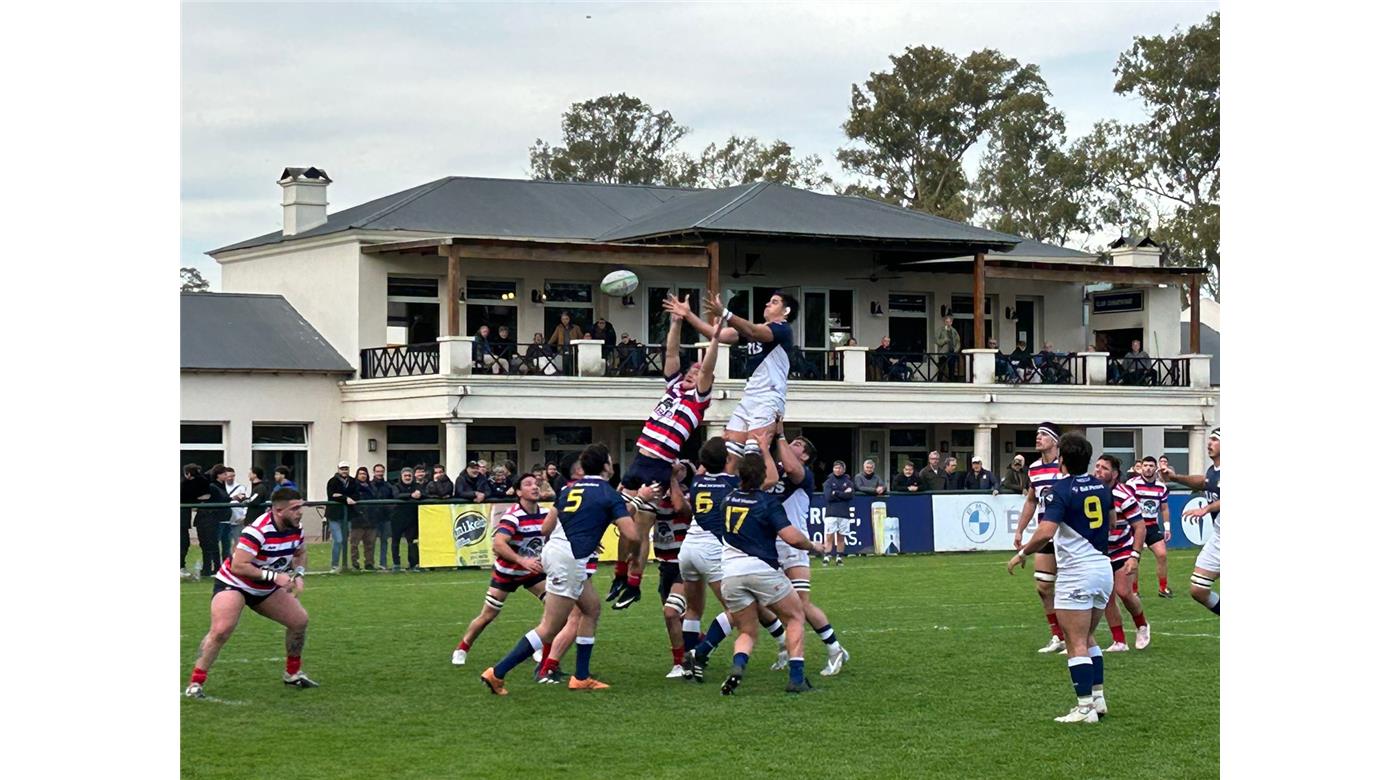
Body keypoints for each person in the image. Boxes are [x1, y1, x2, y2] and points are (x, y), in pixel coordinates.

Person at [480, 443, 647, 694]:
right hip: (569, 559)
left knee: (591, 609)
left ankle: (581, 677)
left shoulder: (569, 489)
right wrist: (635, 509)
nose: (612, 465)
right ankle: (497, 672)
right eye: (610, 461)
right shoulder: (608, 493)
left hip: (558, 553)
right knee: (550, 627)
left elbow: (545, 528)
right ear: (604, 466)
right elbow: (632, 534)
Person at [608, 296, 719, 610]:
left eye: (695, 373)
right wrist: (675, 322)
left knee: (642, 526)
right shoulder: (672, 387)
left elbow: (708, 367)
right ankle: (619, 574)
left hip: (659, 466)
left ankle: (633, 584)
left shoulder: (699, 401)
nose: (691, 373)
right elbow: (670, 352)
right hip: (640, 457)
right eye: (690, 371)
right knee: (622, 521)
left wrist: (714, 338)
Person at [1006, 432, 1114, 723]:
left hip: (1077, 571)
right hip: (1103, 569)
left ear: (1062, 459)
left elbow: (1045, 532)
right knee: (1088, 637)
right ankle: (1098, 700)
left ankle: (1084, 709)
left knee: (1074, 640)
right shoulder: (1102, 487)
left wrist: (1023, 553)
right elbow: (1113, 522)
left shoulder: (1058, 490)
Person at [710, 440, 822, 695]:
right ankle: (797, 679)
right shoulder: (766, 502)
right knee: (795, 617)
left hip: (730, 573)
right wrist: (814, 547)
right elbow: (792, 537)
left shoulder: (727, 499)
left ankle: (738, 667)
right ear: (764, 476)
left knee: (747, 630)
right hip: (760, 569)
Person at [185, 487, 317, 698]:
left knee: (299, 621)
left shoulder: (296, 528)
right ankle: (196, 683)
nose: (300, 512)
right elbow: (239, 566)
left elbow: (300, 553)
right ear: (278, 510)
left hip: (264, 587)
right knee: (221, 630)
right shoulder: (257, 531)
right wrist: (275, 577)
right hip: (235, 583)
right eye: (295, 508)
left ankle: (292, 674)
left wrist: (298, 573)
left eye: (300, 506)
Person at [665, 289, 797, 453]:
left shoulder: (783, 329)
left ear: (786, 311)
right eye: (770, 301)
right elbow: (716, 334)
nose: (768, 304)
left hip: (769, 396)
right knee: (729, 451)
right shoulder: (757, 328)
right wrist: (688, 314)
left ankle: (768, 478)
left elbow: (752, 331)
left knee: (754, 452)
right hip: (750, 396)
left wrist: (725, 313)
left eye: (774, 302)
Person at [772, 431, 850, 677]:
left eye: (797, 444)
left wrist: (780, 435)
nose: (790, 444)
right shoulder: (775, 469)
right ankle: (785, 645)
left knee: (801, 606)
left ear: (805, 455)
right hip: (770, 545)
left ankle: (834, 648)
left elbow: (793, 470)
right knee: (762, 602)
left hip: (794, 545)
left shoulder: (804, 474)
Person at [452, 474, 550, 667]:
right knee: (488, 615)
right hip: (508, 572)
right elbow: (498, 544)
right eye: (528, 484)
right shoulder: (513, 516)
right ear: (519, 492)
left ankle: (538, 646)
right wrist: (522, 560)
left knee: (555, 607)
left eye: (536, 484)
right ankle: (462, 647)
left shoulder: (546, 513)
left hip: (532, 571)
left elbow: (561, 532)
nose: (535, 487)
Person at [1013, 423, 1069, 654]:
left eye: (1043, 435)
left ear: (1055, 441)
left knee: (1070, 587)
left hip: (1068, 534)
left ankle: (1077, 637)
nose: (1038, 438)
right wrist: (1019, 530)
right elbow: (1031, 500)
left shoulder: (1066, 466)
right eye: (1037, 434)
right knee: (1044, 586)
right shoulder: (1034, 468)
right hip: (1045, 533)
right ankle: (1058, 636)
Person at [1161, 429, 1220, 616]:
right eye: (1209, 439)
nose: (1209, 443)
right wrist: (1175, 477)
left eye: (1214, 440)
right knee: (1198, 590)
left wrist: (1207, 508)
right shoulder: (1214, 471)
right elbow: (1203, 482)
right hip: (1218, 538)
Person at [1094, 455, 1150, 652]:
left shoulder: (1124, 495)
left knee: (1124, 592)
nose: (1098, 471)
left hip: (1122, 548)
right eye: (1097, 466)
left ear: (1115, 474)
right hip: (1101, 552)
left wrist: (1135, 555)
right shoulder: (1091, 490)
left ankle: (1142, 624)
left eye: (1104, 468)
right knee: (1106, 597)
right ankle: (1119, 641)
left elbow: (1140, 527)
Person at [1126, 456, 1174, 598]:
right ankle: (1134, 591)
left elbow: (1164, 509)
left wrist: (1167, 528)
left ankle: (1163, 588)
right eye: (1145, 465)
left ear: (1155, 468)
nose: (1147, 468)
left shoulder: (1161, 487)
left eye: (1151, 466)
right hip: (1136, 526)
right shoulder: (1132, 484)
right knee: (1135, 558)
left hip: (1152, 526)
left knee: (1162, 554)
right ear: (1141, 467)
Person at [194, 465, 231, 579]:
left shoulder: (220, 486)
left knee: (214, 544)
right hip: (208, 519)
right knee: (209, 544)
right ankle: (209, 568)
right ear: (218, 475)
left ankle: (214, 567)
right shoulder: (212, 486)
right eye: (224, 474)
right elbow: (220, 499)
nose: (227, 476)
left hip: (216, 519)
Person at [325, 461, 359, 572]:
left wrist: (342, 496)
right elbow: (332, 495)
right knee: (338, 540)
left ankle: (344, 565)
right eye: (342, 469)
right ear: (338, 469)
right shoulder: (332, 481)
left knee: (345, 540)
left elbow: (356, 495)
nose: (344, 471)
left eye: (346, 469)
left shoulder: (353, 481)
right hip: (334, 515)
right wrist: (346, 498)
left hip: (347, 515)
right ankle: (334, 565)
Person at [182, 464, 213, 578]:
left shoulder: (188, 484)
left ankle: (182, 566)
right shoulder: (199, 483)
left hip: (185, 519)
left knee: (184, 542)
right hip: (184, 519)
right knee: (183, 542)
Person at [821, 460, 855, 566]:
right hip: (831, 513)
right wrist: (842, 493)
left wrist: (836, 493)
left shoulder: (848, 482)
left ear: (843, 469)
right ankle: (827, 555)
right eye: (835, 468)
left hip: (844, 513)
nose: (837, 470)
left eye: (839, 468)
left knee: (841, 537)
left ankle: (839, 557)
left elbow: (850, 496)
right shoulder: (828, 482)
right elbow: (828, 497)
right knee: (829, 536)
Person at [391, 467, 424, 572]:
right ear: (401, 476)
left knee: (412, 542)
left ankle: (413, 564)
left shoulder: (417, 486)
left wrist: (420, 494)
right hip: (397, 518)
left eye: (409, 475)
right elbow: (396, 495)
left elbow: (425, 494)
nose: (407, 477)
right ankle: (396, 564)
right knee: (396, 541)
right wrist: (411, 495)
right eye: (405, 475)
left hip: (412, 518)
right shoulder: (396, 486)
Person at [365, 464, 396, 571]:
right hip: (373, 517)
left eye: (381, 471)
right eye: (378, 471)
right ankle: (370, 563)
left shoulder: (388, 486)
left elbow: (394, 498)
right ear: (374, 472)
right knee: (371, 541)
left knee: (384, 541)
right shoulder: (369, 485)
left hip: (386, 517)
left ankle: (383, 563)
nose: (380, 473)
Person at [218, 467, 249, 563]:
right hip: (224, 519)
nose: (230, 478)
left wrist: (244, 516)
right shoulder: (221, 487)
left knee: (237, 542)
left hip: (237, 519)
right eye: (228, 476)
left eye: (233, 476)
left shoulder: (241, 488)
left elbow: (246, 502)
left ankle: (235, 561)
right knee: (222, 542)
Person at [349, 466, 376, 571]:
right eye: (361, 474)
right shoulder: (353, 487)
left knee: (370, 544)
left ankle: (369, 563)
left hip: (371, 519)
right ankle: (355, 563)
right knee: (354, 544)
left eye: (364, 474)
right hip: (357, 519)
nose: (363, 476)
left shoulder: (371, 487)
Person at [934, 314, 961, 381]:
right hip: (943, 353)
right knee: (941, 369)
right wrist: (944, 340)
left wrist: (956, 350)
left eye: (949, 322)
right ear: (945, 322)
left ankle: (951, 382)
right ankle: (939, 382)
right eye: (946, 321)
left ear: (951, 322)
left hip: (952, 352)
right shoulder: (940, 330)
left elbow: (958, 341)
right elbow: (937, 340)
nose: (948, 323)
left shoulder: (954, 331)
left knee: (951, 369)